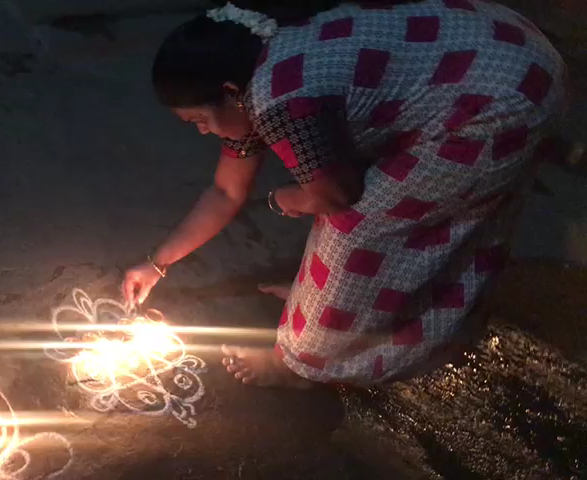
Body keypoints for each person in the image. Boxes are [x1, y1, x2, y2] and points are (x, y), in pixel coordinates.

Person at [122, 0, 567, 388]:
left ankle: (300, 363)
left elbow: (335, 197)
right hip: (500, 45)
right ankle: (323, 309)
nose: (202, 131)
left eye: (199, 119)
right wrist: (156, 263)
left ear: (230, 94)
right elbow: (224, 191)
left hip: (501, 101)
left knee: (358, 230)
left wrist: (284, 199)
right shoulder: (250, 58)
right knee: (353, 207)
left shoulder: (281, 102)